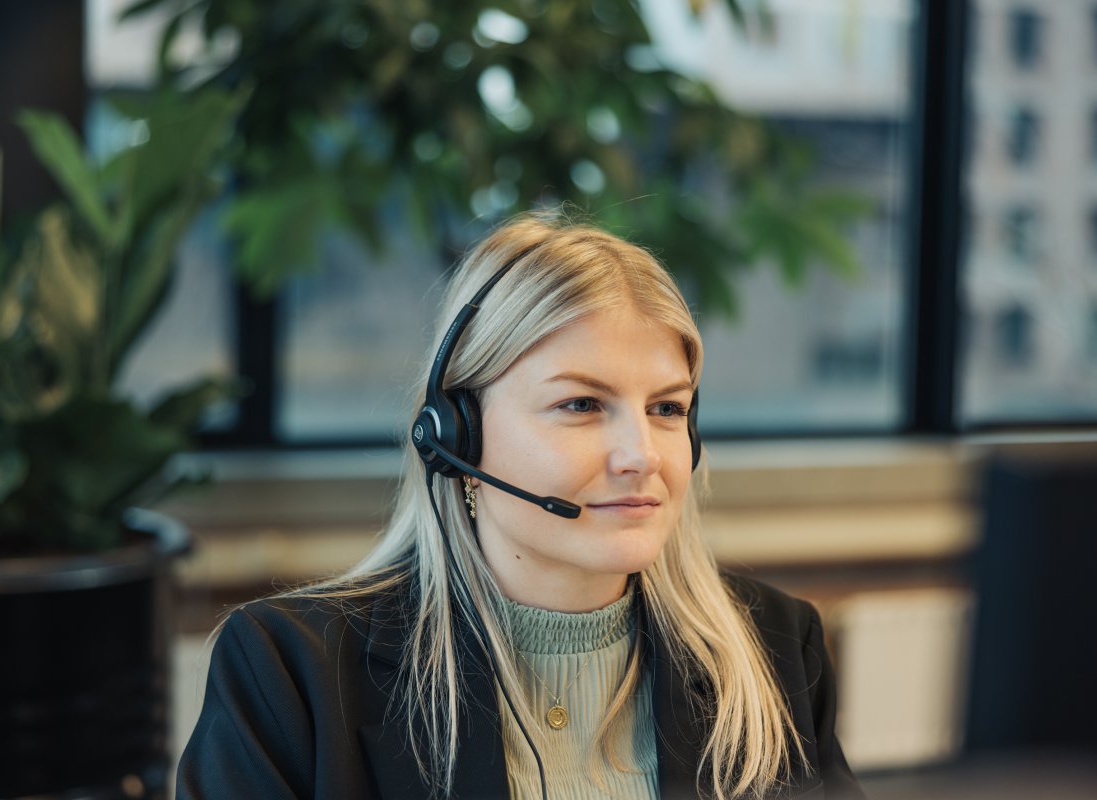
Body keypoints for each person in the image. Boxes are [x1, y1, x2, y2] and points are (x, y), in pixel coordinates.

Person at [176, 214, 866, 799]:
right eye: (581, 405)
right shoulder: (292, 673)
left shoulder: (777, 650)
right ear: (455, 436)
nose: (642, 455)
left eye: (667, 408)